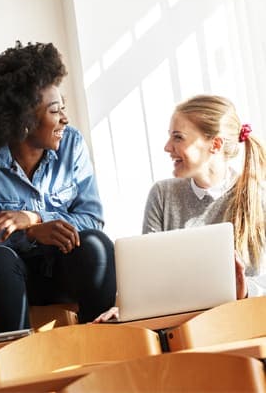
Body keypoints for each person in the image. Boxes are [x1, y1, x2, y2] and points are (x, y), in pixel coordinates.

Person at [0, 41, 116, 331]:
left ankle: (103, 341)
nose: (65, 119)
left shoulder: (72, 145)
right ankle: (17, 355)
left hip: (66, 272)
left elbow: (92, 218)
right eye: (55, 111)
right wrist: (30, 236)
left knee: (95, 244)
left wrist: (36, 219)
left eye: (63, 108)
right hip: (9, 280)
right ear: (24, 119)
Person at [95, 94, 266, 322]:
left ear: (215, 144)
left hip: (241, 321)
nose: (167, 147)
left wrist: (244, 290)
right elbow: (148, 277)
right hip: (177, 326)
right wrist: (126, 307)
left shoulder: (256, 196)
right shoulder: (162, 195)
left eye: (178, 137)